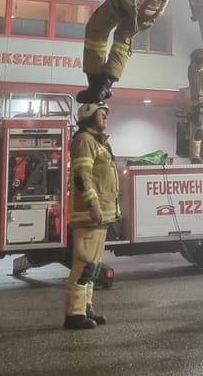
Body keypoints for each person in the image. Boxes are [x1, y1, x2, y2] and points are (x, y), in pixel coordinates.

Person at [64, 101, 120, 330]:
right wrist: (93, 204)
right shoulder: (84, 141)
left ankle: (86, 308)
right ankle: (74, 314)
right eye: (101, 113)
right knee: (84, 265)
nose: (105, 116)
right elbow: (82, 177)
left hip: (100, 216)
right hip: (89, 215)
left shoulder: (97, 142)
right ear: (88, 115)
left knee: (94, 267)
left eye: (106, 112)